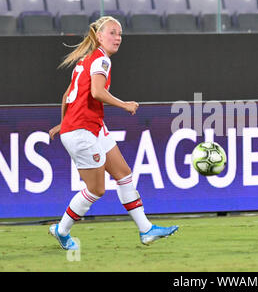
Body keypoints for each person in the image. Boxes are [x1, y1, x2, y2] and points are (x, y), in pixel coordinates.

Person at [48, 16, 178, 250]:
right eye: (112, 33)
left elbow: (68, 94)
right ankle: (62, 229)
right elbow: (97, 92)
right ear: (99, 36)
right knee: (96, 189)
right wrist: (124, 104)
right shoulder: (101, 61)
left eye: (120, 34)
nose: (117, 38)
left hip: (91, 126)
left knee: (124, 174)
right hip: (81, 131)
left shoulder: (86, 59)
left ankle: (146, 229)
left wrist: (62, 122)